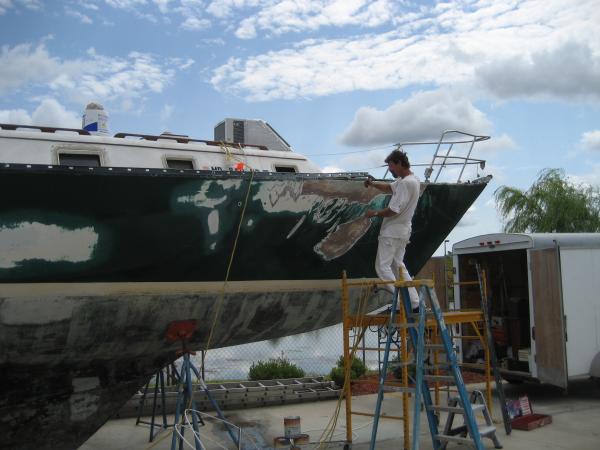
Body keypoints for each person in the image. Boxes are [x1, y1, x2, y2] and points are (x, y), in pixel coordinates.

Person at [364, 149, 421, 311]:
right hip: (403, 232)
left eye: (391, 167)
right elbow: (389, 188)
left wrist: (373, 213)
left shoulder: (405, 183)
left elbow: (393, 210)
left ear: (399, 163)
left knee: (382, 267)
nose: (390, 170)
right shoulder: (412, 180)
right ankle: (414, 302)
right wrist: (373, 183)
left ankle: (400, 301)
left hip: (392, 232)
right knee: (398, 266)